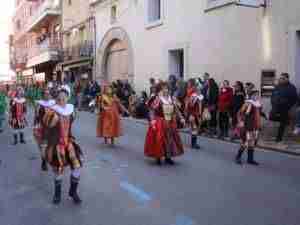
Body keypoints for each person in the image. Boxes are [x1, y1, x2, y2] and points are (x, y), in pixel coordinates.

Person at [44, 88, 83, 204]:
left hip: (69, 143)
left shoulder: (71, 111)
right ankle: (57, 194)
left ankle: (73, 191)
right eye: (59, 97)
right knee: (58, 171)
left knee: (77, 166)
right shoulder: (52, 112)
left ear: (68, 98)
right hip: (57, 145)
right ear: (57, 99)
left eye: (64, 97)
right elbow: (46, 126)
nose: (62, 99)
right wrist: (51, 114)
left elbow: (70, 125)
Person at [144, 82, 185, 165]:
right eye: (163, 89)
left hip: (170, 121)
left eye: (166, 88)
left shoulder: (172, 98)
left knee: (170, 139)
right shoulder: (158, 99)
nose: (165, 90)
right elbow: (152, 110)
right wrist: (152, 120)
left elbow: (176, 110)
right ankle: (158, 157)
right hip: (160, 121)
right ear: (160, 90)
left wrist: (181, 118)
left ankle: (168, 157)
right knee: (159, 139)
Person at [235, 90, 267, 165]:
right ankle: (238, 157)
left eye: (257, 95)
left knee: (252, 143)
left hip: (255, 126)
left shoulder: (258, 104)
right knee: (245, 143)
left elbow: (258, 112)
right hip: (248, 126)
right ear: (251, 95)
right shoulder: (248, 103)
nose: (257, 96)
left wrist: (263, 115)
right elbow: (240, 113)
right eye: (255, 95)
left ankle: (250, 159)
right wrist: (241, 122)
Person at [271, 73, 298, 143]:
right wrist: (273, 103)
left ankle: (279, 138)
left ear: (287, 79)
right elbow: (273, 96)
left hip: (285, 109)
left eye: (283, 78)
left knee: (282, 122)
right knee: (272, 118)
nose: (281, 79)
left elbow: (294, 99)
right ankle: (287, 123)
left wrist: (287, 105)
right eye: (281, 78)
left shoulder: (292, 87)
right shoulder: (278, 86)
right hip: (276, 108)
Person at [33, 88, 55, 171]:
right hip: (42, 128)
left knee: (52, 146)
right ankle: (44, 162)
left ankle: (51, 159)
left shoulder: (54, 104)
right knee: (43, 147)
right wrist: (35, 126)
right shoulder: (39, 104)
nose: (47, 95)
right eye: (45, 94)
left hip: (52, 128)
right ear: (43, 95)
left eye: (48, 93)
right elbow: (36, 117)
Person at [185, 78, 204, 149]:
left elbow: (198, 103)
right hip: (193, 112)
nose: (188, 84)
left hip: (193, 112)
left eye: (189, 83)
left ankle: (193, 143)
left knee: (194, 128)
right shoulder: (192, 92)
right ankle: (194, 144)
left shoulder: (191, 92)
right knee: (194, 128)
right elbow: (198, 104)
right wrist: (199, 113)